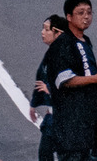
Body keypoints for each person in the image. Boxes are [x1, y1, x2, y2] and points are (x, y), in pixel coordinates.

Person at [41, 0, 97, 161]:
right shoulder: (62, 44)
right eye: (81, 12)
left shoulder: (85, 40)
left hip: (89, 119)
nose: (86, 17)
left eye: (89, 12)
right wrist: (96, 79)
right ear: (69, 17)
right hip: (70, 123)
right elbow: (63, 80)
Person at [32, 15, 66, 161]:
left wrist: (50, 91)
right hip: (53, 115)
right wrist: (34, 104)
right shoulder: (51, 53)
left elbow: (69, 85)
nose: (42, 32)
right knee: (45, 153)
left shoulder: (65, 56)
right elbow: (41, 77)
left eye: (47, 29)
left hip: (65, 118)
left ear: (58, 33)